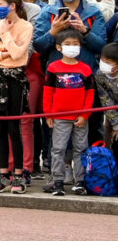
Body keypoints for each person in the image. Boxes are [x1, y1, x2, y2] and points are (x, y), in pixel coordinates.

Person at [0, 0, 36, 193]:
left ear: (12, 5)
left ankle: (18, 174)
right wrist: (3, 54)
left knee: (15, 128)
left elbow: (19, 55)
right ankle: (3, 173)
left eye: (0, 4)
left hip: (15, 80)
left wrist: (5, 37)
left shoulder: (25, 26)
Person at [43, 29, 94, 196]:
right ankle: (57, 181)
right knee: (58, 148)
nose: (72, 47)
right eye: (67, 44)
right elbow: (48, 92)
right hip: (59, 116)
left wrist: (84, 115)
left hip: (80, 117)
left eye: (75, 44)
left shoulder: (86, 69)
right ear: (59, 47)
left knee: (81, 149)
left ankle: (80, 181)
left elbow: (90, 94)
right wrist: (48, 114)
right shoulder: (53, 67)